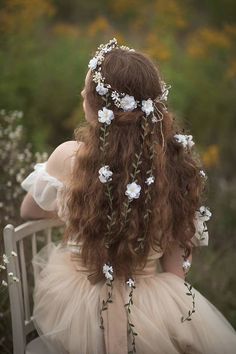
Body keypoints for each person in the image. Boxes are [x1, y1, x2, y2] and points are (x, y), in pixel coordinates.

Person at [20, 38, 236, 354]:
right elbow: (177, 269)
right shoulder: (174, 166)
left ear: (97, 107)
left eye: (86, 91)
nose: (82, 94)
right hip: (151, 305)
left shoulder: (70, 157)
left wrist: (77, 205)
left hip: (80, 304)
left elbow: (30, 211)